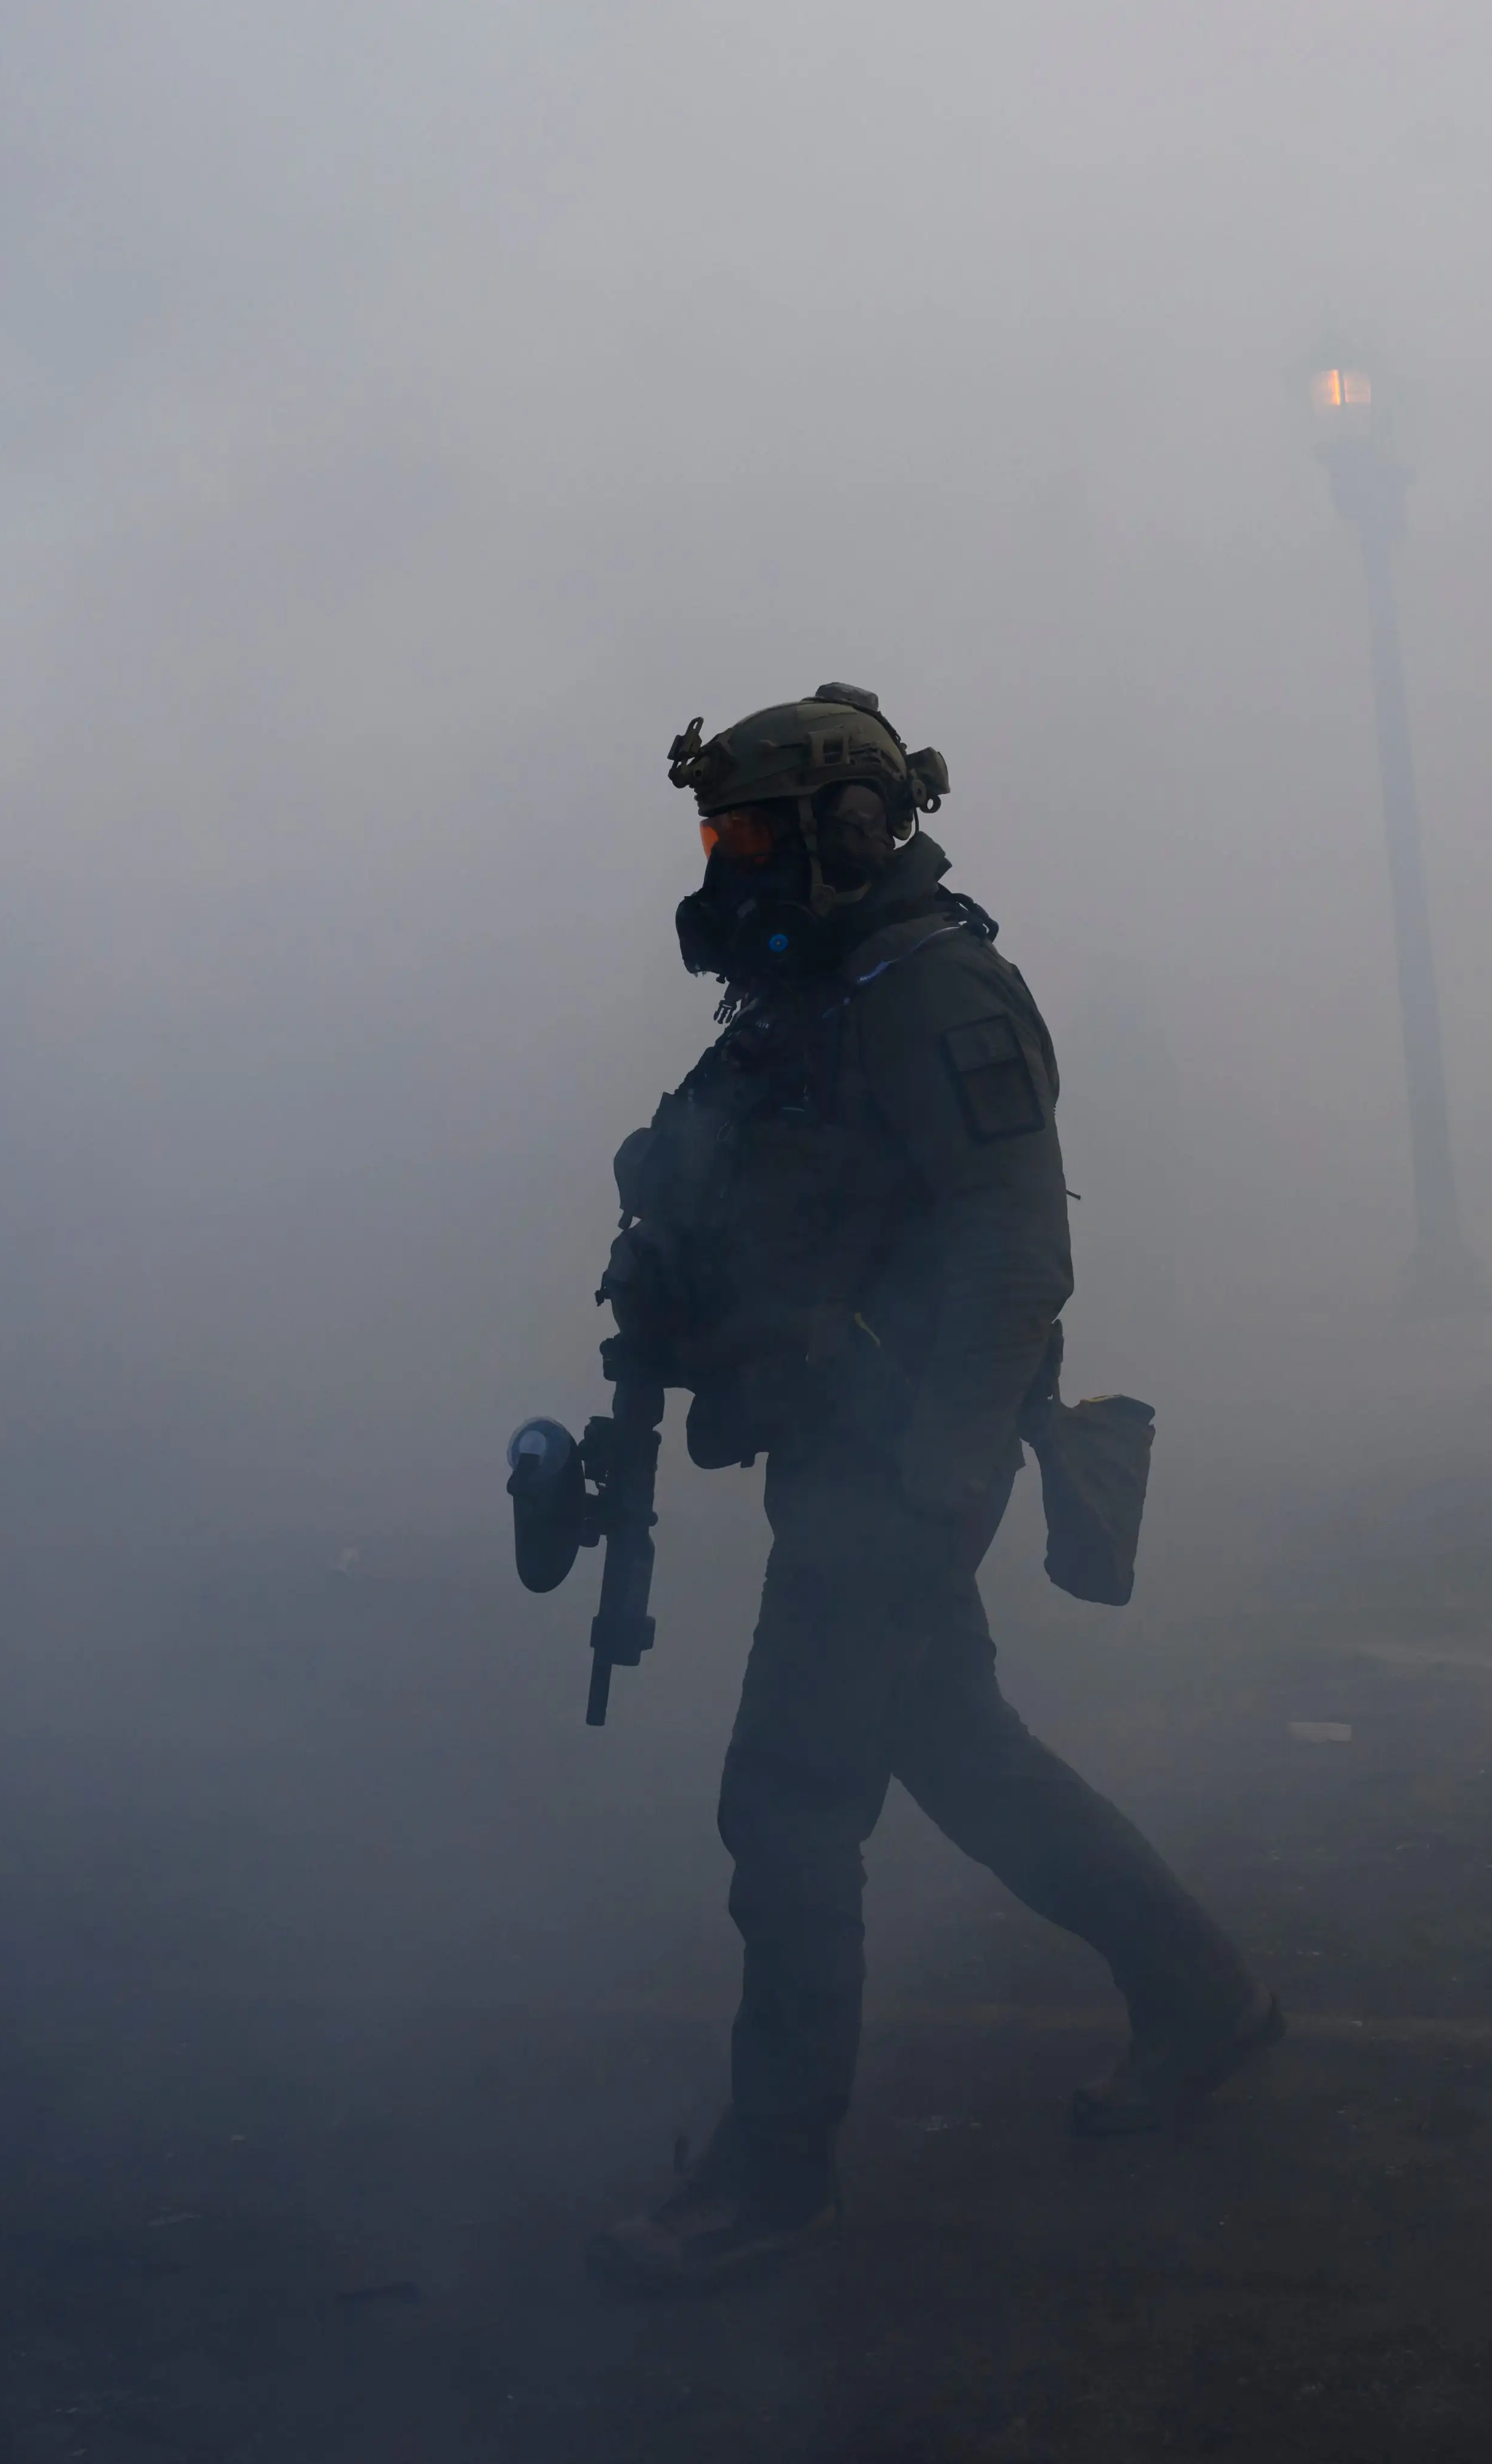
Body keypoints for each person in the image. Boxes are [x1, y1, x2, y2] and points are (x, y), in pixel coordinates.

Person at [585, 684, 1277, 2294]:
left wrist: (927, 1482)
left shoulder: (930, 991)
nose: (729, 862)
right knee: (963, 1755)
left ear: (844, 827)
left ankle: (768, 2178)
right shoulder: (800, 1000)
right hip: (837, 1445)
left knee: (786, 1805)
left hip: (898, 1460)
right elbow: (700, 1170)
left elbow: (1015, 1253)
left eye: (754, 831)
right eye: (718, 834)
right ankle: (1200, 1996)